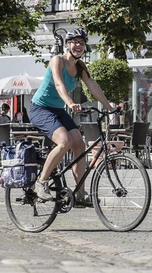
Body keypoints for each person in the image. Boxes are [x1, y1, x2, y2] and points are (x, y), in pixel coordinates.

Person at [29, 28, 114, 204]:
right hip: (40, 109)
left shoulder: (80, 67)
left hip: (58, 110)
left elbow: (93, 86)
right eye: (75, 42)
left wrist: (109, 108)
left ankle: (80, 194)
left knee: (79, 145)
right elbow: (59, 84)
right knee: (64, 141)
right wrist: (70, 103)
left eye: (82, 43)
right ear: (67, 45)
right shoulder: (57, 60)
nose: (79, 46)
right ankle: (41, 182)